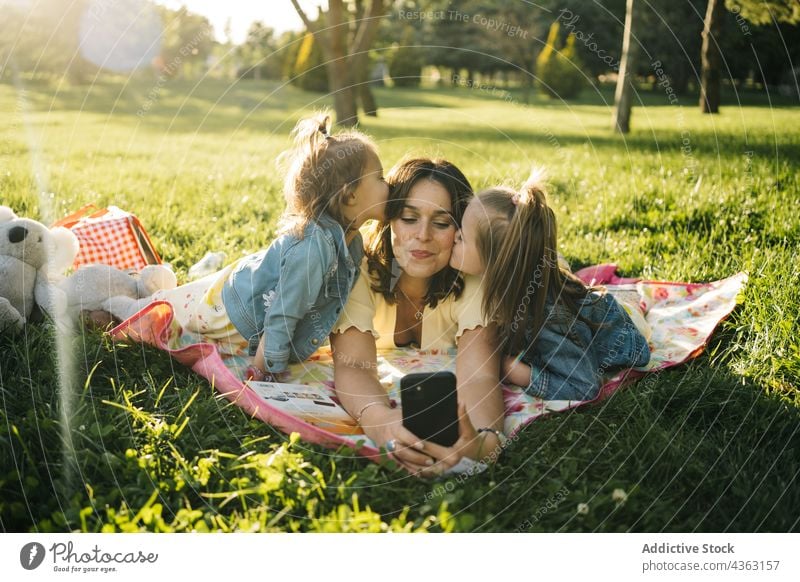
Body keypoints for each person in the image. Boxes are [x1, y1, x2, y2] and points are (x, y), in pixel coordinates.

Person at [105, 113, 389, 377]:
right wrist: (266, 369)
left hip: (244, 296)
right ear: (350, 195)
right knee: (158, 315)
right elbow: (283, 313)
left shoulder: (351, 243)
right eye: (380, 178)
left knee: (169, 307)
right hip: (226, 307)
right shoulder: (313, 248)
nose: (388, 186)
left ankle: (140, 292)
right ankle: (108, 306)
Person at [330, 158, 506, 478]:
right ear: (389, 219)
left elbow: (479, 375)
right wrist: (382, 422)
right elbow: (353, 364)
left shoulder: (470, 278)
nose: (422, 235)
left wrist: (481, 439)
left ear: (461, 229)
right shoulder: (355, 271)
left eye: (441, 223)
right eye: (409, 218)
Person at [449, 169, 651, 402]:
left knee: (626, 311)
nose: (454, 235)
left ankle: (630, 302)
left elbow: (585, 386)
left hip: (623, 339)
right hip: (588, 310)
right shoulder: (512, 289)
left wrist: (521, 374)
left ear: (496, 262)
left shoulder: (548, 319)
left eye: (462, 237)